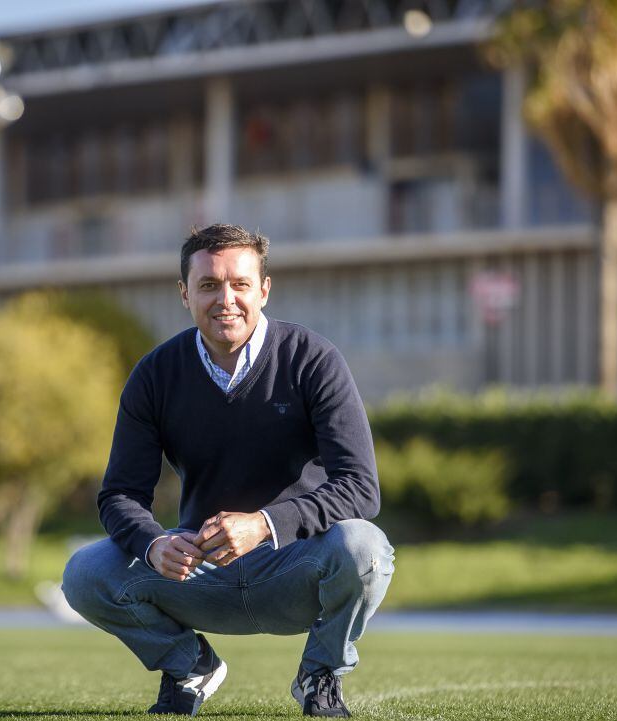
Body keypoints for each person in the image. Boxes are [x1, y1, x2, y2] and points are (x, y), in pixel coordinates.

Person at [62, 224, 393, 717]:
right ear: (184, 294)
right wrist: (154, 543)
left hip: (295, 568)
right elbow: (120, 496)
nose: (226, 300)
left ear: (264, 288)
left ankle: (320, 676)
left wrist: (264, 524)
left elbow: (361, 489)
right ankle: (188, 665)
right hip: (199, 572)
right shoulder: (155, 375)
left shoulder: (312, 360)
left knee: (364, 546)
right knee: (85, 572)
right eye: (209, 286)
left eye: (240, 284)